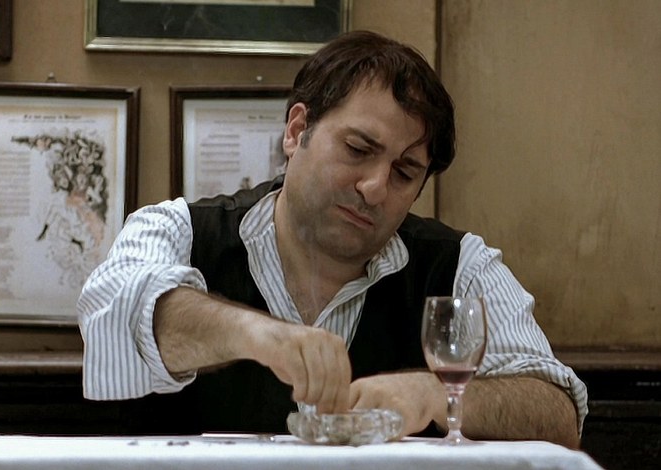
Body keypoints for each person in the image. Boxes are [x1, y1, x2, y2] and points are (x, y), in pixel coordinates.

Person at [77, 30, 587, 448]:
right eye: (358, 149)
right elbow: (117, 313)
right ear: (297, 130)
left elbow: (557, 415)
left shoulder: (459, 265)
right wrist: (254, 334)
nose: (375, 188)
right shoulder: (176, 229)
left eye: (404, 172)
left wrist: (434, 395)